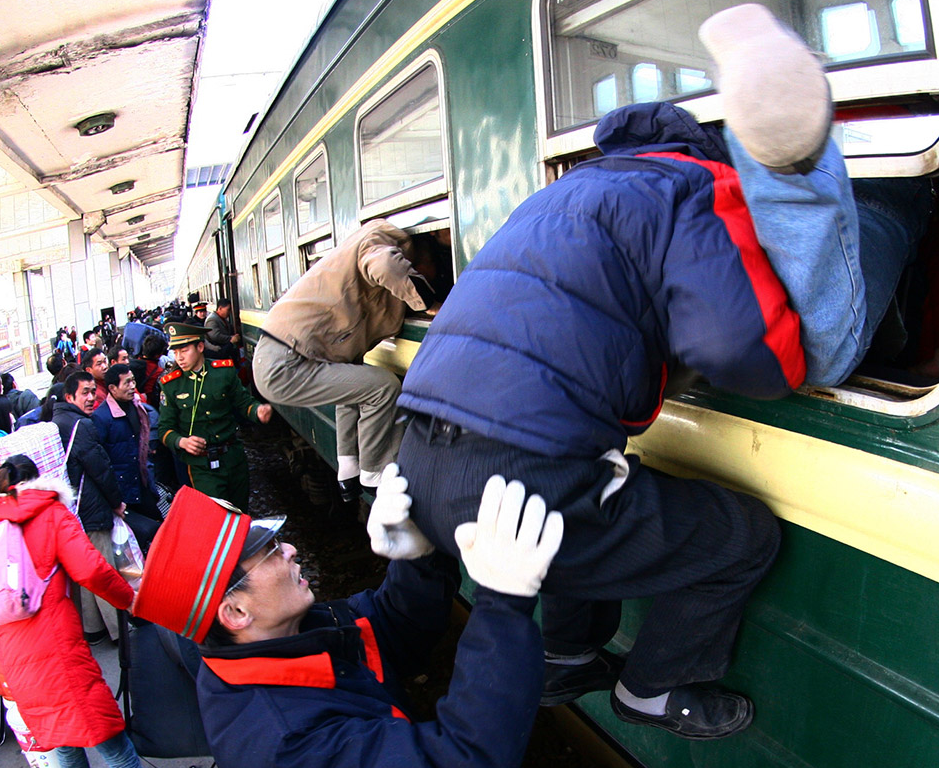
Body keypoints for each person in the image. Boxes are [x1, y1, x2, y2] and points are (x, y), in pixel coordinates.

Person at [391, 5, 933, 740]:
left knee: (590, 504)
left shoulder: (556, 197)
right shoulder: (692, 188)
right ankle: (654, 687)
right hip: (524, 467)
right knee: (740, 538)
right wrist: (770, 355)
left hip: (420, 465)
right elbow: (741, 351)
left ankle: (566, 656)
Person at [133, 469, 563, 768]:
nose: (290, 550)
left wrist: (419, 558)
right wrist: (503, 604)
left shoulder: (287, 637)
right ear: (236, 612)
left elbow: (390, 631)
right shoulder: (289, 747)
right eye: (270, 551)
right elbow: (464, 758)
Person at [0, 455, 139, 768]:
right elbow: (91, 570)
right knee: (115, 748)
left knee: (65, 748)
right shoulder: (51, 513)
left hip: (17, 662)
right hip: (59, 656)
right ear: (38, 480)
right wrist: (129, 599)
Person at [252, 219, 437, 501]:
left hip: (278, 357)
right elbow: (385, 265)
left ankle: (349, 468)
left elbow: (347, 385)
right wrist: (430, 304)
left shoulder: (357, 270)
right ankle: (376, 473)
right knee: (383, 387)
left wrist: (347, 460)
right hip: (285, 361)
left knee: (355, 384)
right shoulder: (377, 242)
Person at [158, 323, 272, 509]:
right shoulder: (171, 384)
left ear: (200, 347)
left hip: (233, 457)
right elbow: (164, 429)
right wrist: (182, 441)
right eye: (175, 352)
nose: (179, 358)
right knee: (217, 514)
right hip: (202, 465)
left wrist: (258, 411)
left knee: (241, 512)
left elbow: (244, 403)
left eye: (184, 351)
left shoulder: (223, 372)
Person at [50, 372, 127, 643]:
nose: (92, 397)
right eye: (85, 392)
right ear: (69, 396)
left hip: (71, 510)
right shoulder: (81, 425)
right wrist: (116, 502)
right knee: (103, 568)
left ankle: (93, 629)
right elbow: (101, 469)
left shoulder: (55, 422)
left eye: (94, 391)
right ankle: (119, 631)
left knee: (83, 569)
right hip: (92, 507)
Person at [91, 365, 154, 519]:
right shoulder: (101, 417)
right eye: (127, 383)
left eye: (133, 381)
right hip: (122, 489)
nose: (132, 386)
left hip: (141, 480)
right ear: (112, 388)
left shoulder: (136, 405)